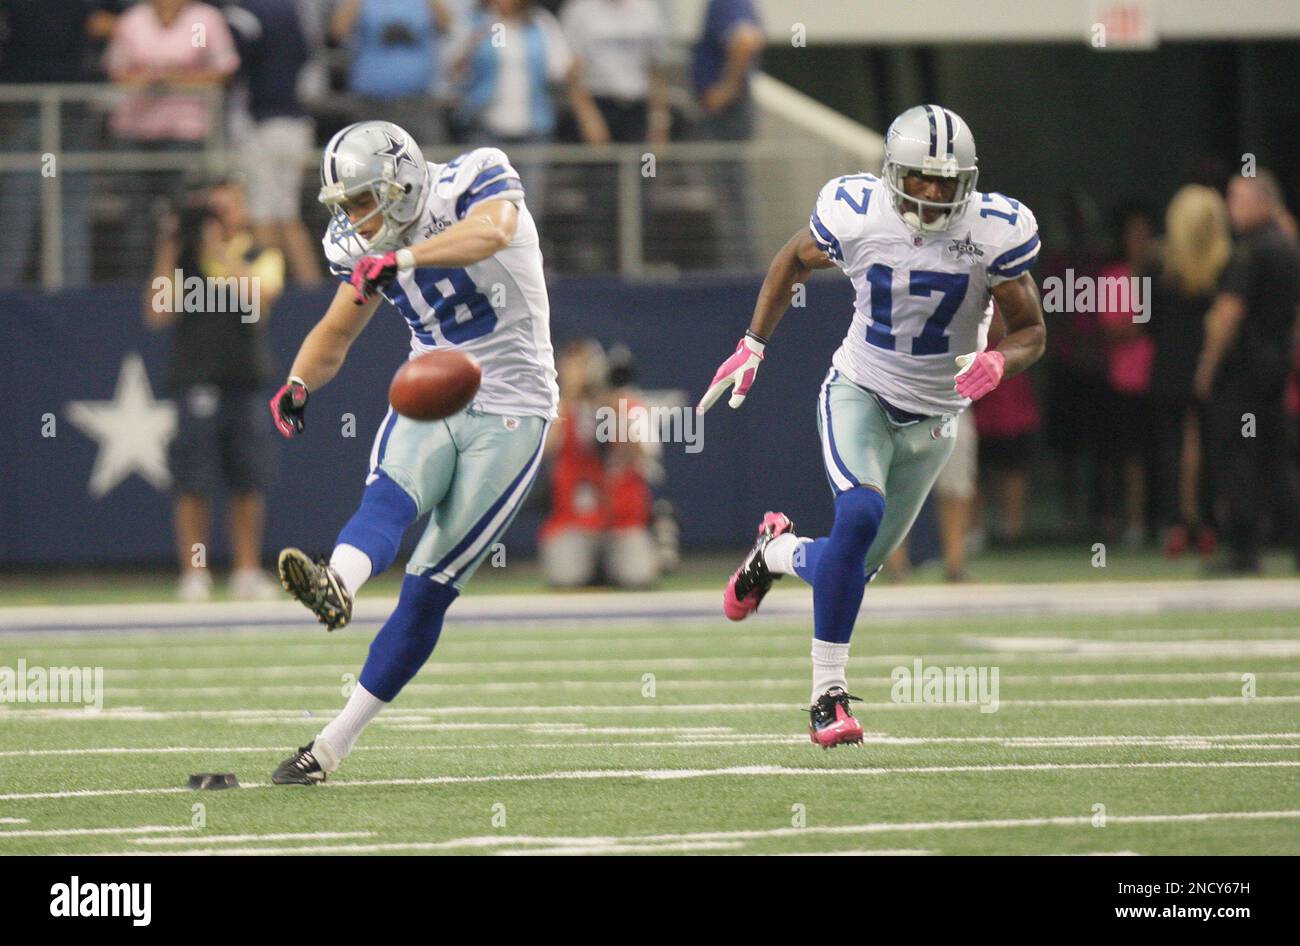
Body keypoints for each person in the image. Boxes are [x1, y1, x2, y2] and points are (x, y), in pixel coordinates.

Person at [698, 106, 1045, 747]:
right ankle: (826, 699)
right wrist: (753, 343)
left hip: (937, 421)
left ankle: (774, 551)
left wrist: (1000, 359)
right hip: (860, 391)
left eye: (947, 181)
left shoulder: (995, 231)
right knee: (856, 517)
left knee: (851, 567)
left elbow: (1032, 331)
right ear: (893, 172)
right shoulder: (860, 213)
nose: (934, 193)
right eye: (922, 177)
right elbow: (792, 259)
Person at [266, 120, 558, 784]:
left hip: (514, 407)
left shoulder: (473, 179)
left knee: (428, 588)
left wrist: (405, 259)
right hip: (435, 387)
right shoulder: (356, 241)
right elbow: (337, 329)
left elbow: (494, 231)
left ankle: (333, 744)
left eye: (363, 199)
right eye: (345, 205)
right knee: (390, 495)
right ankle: (337, 582)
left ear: (400, 181)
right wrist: (297, 381)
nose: (355, 218)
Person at [145, 179, 284, 601]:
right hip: (195, 381)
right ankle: (195, 572)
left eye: (227, 209)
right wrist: (170, 246)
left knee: (248, 481)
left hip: (244, 379)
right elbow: (157, 313)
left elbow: (257, 301)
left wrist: (220, 250)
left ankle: (245, 571)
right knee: (193, 482)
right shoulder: (184, 260)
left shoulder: (260, 254)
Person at [1194, 171, 1300, 572]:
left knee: (1237, 454)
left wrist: (1208, 363)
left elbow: (1229, 312)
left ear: (1263, 201)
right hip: (1274, 367)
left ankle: (1244, 548)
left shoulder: (1250, 250)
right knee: (1277, 456)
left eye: (1237, 197)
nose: (1229, 206)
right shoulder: (1287, 246)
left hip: (1243, 372)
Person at [1149, 184, 1230, 558]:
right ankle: (1209, 524)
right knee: (1213, 444)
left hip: (1170, 363)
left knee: (1170, 446)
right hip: (1215, 364)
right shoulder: (1228, 264)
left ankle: (1175, 523)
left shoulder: (1160, 267)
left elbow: (1145, 320)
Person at [538, 339, 660, 588]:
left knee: (637, 576)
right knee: (566, 578)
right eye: (575, 367)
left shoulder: (630, 405)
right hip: (574, 522)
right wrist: (570, 398)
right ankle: (596, 568)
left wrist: (615, 409)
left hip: (624, 522)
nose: (583, 374)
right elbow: (547, 448)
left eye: (586, 366)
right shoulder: (557, 408)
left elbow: (643, 453)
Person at [227, 0, 323, 285]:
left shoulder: (244, 14)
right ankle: (311, 293)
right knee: (287, 215)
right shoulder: (292, 10)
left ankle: (269, 295)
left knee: (264, 216)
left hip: (263, 125)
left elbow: (230, 63)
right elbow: (307, 54)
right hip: (295, 122)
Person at [1097, 206, 1157, 546]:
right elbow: (1115, 327)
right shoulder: (1113, 277)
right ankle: (1126, 520)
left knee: (1158, 454)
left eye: (1145, 235)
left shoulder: (1162, 275)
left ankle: (1159, 520)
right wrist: (1149, 324)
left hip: (1159, 379)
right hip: (1124, 380)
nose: (1140, 241)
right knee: (1126, 456)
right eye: (1134, 235)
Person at [690, 0, 764, 269]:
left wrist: (726, 89)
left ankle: (740, 267)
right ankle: (739, 264)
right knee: (730, 194)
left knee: (731, 195)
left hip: (727, 115)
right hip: (728, 113)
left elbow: (746, 41)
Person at [330, 0, 452, 146]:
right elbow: (338, 31)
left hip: (419, 102)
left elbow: (448, 25)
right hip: (372, 102)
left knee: (427, 160)